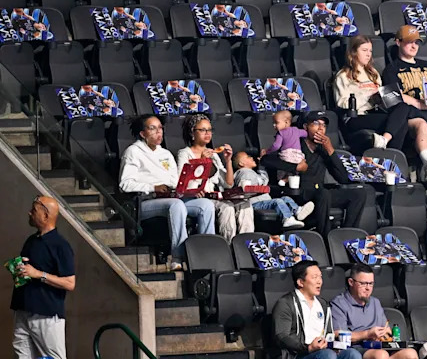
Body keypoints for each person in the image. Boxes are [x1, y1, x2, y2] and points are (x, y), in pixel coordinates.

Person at [119, 114, 216, 270]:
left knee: (206, 205)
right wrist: (153, 187)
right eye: (153, 128)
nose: (159, 132)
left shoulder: (165, 154)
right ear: (143, 133)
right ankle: (178, 257)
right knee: (176, 205)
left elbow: (174, 181)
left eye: (160, 128)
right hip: (144, 202)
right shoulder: (133, 152)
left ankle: (206, 254)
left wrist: (186, 191)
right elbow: (125, 184)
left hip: (170, 197)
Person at [260, 111, 368, 235]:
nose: (320, 128)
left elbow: (343, 178)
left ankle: (347, 235)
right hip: (299, 194)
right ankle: (325, 237)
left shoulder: (323, 150)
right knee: (324, 193)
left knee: (359, 193)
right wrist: (295, 167)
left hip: (319, 195)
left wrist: (330, 150)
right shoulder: (294, 143)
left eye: (324, 125)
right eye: (316, 123)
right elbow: (266, 160)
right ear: (305, 127)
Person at [11, 196, 75, 359]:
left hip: (46, 313)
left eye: (34, 210)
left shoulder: (61, 246)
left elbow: (69, 283)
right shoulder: (31, 241)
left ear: (45, 216)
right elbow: (28, 270)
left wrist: (38, 274)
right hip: (22, 309)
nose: (29, 213)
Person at [334, 36, 417, 157]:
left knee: (403, 107)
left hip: (376, 111)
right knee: (399, 123)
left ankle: (385, 143)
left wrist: (383, 97)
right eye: (364, 50)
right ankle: (393, 156)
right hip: (356, 117)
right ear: (353, 52)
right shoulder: (343, 75)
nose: (368, 54)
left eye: (370, 51)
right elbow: (341, 103)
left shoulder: (373, 73)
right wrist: (366, 95)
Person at [176, 113, 254, 240]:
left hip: (214, 196)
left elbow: (228, 184)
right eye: (202, 130)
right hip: (195, 198)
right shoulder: (184, 153)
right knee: (227, 208)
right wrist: (202, 161)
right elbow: (183, 183)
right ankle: (229, 245)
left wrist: (228, 161)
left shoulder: (213, 154)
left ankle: (246, 243)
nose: (207, 133)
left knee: (245, 204)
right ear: (192, 133)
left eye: (210, 130)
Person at [271, 259, 363, 359]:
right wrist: (308, 348)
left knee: (352, 354)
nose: (319, 281)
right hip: (299, 354)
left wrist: (334, 345)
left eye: (320, 277)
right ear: (301, 282)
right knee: (328, 355)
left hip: (324, 351)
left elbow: (328, 334)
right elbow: (282, 336)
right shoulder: (286, 303)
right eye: (315, 277)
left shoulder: (323, 304)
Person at [330, 263, 419, 359]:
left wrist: (384, 334)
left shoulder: (375, 302)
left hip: (378, 346)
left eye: (371, 283)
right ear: (351, 282)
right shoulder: (339, 303)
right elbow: (339, 334)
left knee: (410, 354)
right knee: (381, 355)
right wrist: (367, 334)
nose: (368, 288)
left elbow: (386, 329)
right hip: (355, 348)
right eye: (363, 283)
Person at [233, 151, 315, 229]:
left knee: (286, 199)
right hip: (255, 204)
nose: (251, 157)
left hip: (264, 202)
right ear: (241, 163)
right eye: (248, 157)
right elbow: (243, 186)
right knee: (278, 201)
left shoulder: (253, 173)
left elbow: (264, 179)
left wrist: (262, 164)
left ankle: (297, 210)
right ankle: (287, 219)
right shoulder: (243, 172)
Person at [261, 110, 308, 180]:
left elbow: (276, 146)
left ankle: (282, 181)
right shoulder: (296, 130)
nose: (274, 125)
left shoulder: (280, 133)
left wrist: (268, 151)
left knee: (282, 171)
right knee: (295, 173)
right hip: (298, 156)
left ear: (286, 122)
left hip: (286, 155)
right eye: (273, 123)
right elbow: (306, 134)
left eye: (276, 122)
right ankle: (287, 180)